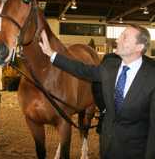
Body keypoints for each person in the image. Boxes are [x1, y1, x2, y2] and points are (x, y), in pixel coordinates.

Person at [39, 24, 155, 159]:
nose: (117, 40)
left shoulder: (152, 78)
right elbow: (81, 69)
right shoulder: (109, 67)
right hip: (106, 148)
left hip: (135, 152)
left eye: (124, 37)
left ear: (139, 47)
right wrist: (51, 54)